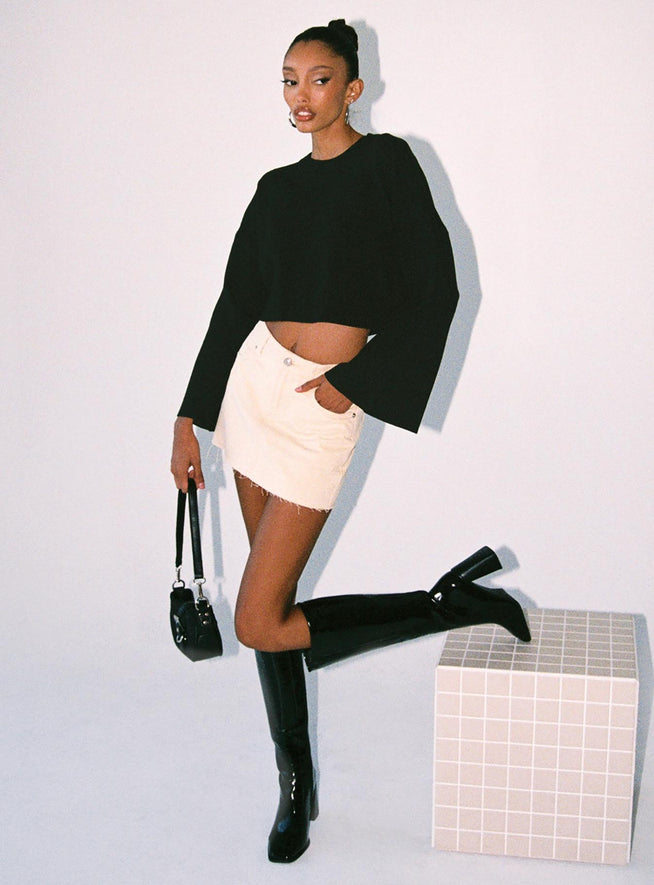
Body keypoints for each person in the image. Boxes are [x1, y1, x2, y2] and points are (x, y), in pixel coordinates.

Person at [171, 19, 531, 864]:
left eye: (320, 79)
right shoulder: (275, 188)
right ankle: (296, 787)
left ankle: (445, 606)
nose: (301, 96)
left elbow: (440, 289)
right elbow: (235, 302)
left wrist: (356, 382)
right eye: (289, 80)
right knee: (271, 609)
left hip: (320, 405)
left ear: (353, 88)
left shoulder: (388, 165)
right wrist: (191, 415)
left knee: (259, 618)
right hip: (254, 391)